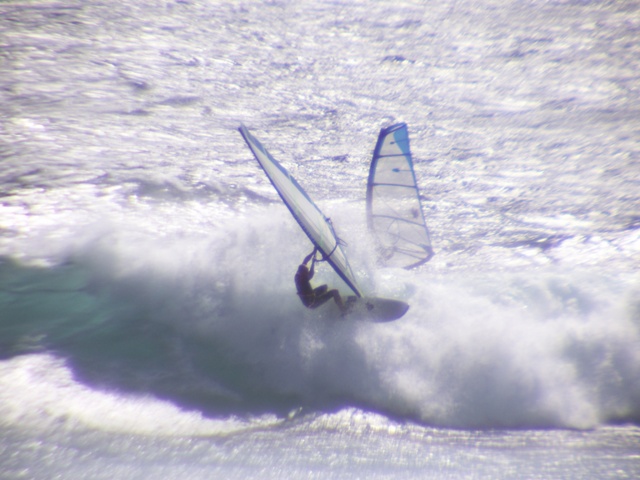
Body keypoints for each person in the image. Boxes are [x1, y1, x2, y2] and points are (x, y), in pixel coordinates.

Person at [295, 247, 347, 314]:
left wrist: (313, 252)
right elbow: (311, 274)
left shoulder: (298, 274)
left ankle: (334, 299)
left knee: (325, 287)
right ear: (304, 273)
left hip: (312, 295)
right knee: (335, 291)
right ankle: (344, 311)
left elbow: (305, 261)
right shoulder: (303, 281)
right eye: (307, 271)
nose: (307, 271)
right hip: (312, 302)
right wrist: (313, 262)